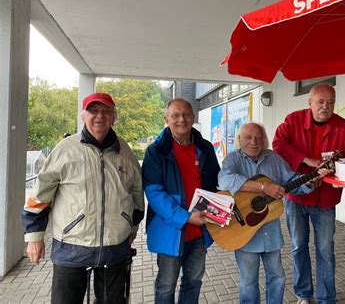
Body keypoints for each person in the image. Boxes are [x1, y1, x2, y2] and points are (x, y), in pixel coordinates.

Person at [22, 92, 144, 304]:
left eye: (106, 111)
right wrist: (34, 236)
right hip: (71, 247)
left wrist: (132, 227)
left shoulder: (124, 151)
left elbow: (136, 193)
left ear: (114, 117)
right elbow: (40, 195)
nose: (100, 116)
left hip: (114, 248)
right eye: (93, 111)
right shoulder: (65, 150)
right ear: (83, 116)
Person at [218, 122, 329, 304]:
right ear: (239, 140)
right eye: (248, 137)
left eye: (258, 137)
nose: (254, 142)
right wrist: (263, 187)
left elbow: (291, 180)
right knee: (248, 282)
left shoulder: (274, 159)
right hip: (243, 233)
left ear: (264, 140)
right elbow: (224, 180)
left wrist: (310, 180)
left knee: (277, 277)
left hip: (271, 233)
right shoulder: (232, 159)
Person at [273, 83, 345, 304]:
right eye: (321, 102)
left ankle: (326, 298)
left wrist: (337, 169)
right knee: (298, 246)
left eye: (331, 102)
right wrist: (307, 160)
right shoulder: (292, 121)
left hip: (325, 200)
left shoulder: (344, 128)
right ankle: (304, 294)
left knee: (325, 250)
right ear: (310, 102)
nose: (326, 106)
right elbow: (278, 144)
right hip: (295, 197)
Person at [142, 98, 220, 304]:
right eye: (175, 115)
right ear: (166, 119)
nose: (181, 120)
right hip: (171, 229)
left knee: (194, 281)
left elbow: (215, 184)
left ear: (193, 117)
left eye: (186, 114)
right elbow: (154, 192)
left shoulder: (205, 148)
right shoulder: (155, 151)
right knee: (166, 285)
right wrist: (186, 218)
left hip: (200, 229)